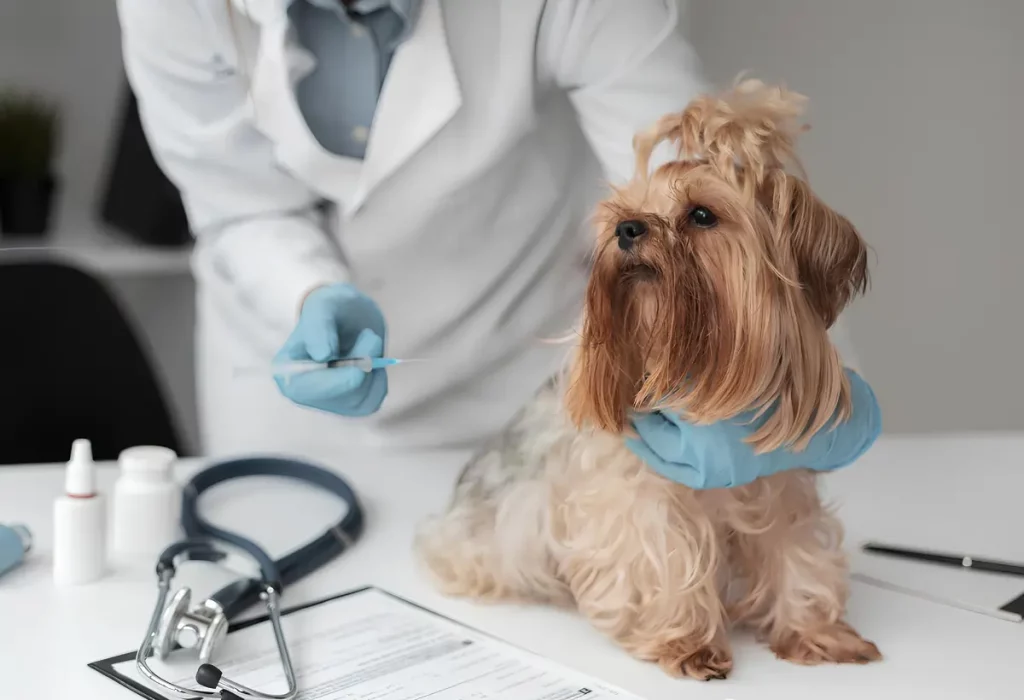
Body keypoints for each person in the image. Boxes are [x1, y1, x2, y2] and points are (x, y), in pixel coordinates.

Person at [115, 0, 880, 485]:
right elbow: (239, 205)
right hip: (287, 396)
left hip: (517, 383)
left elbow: (711, 195)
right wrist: (309, 294)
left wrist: (807, 392)